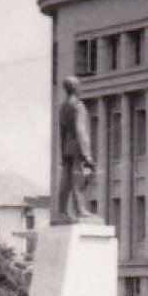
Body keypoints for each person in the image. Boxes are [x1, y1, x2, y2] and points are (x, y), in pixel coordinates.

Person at [53, 77, 95, 224]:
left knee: (66, 179)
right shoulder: (78, 106)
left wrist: (62, 151)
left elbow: (62, 131)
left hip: (66, 147)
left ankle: (62, 210)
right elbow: (81, 130)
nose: (81, 88)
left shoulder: (63, 107)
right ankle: (80, 210)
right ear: (76, 87)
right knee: (78, 178)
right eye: (79, 86)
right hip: (77, 147)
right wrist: (87, 154)